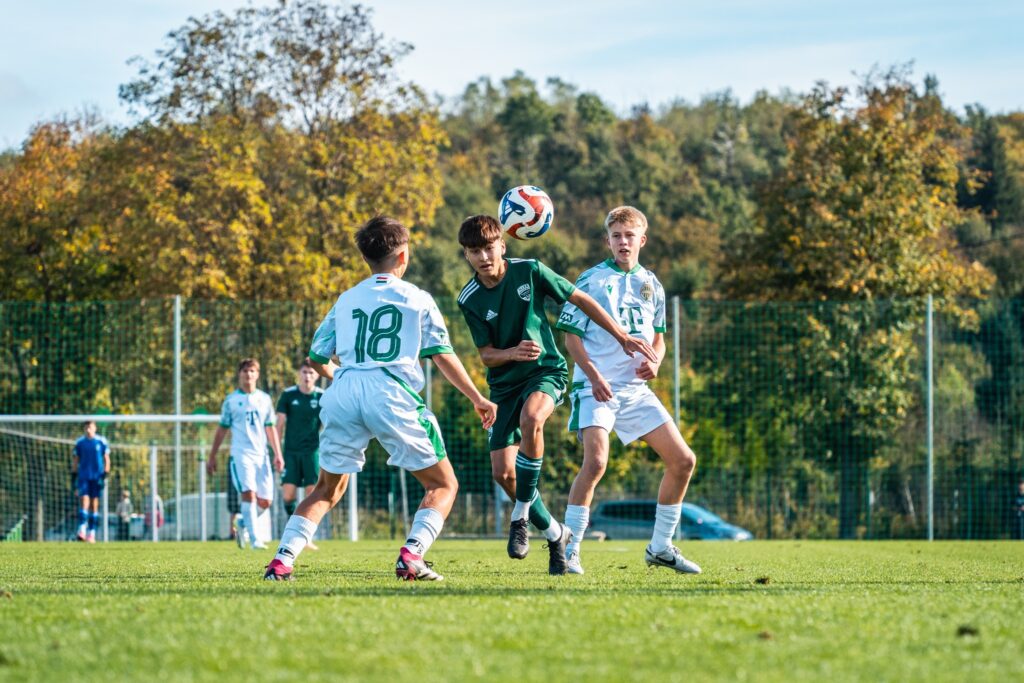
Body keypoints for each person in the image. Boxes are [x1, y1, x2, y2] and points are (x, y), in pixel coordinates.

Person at [265, 216, 495, 582]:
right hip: (391, 393)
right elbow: (441, 354)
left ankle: (281, 562)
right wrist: (477, 398)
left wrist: (347, 376)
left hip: (343, 391)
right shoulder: (417, 298)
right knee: (443, 484)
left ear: (366, 259)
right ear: (403, 256)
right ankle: (412, 555)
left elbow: (317, 357)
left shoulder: (347, 298)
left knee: (327, 488)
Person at [456, 214, 657, 574]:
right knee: (503, 474)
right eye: (474, 252)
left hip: (545, 371)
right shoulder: (468, 298)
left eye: (489, 248)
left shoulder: (530, 270)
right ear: (466, 256)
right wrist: (511, 354)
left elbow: (580, 298)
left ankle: (519, 516)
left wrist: (622, 336)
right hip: (503, 385)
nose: (484, 257)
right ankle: (554, 532)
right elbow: (485, 354)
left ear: (503, 244)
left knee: (532, 418)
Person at [557, 206, 700, 575]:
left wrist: (655, 362)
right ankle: (568, 550)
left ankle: (661, 547)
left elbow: (659, 339)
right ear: (608, 241)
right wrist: (592, 375)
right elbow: (570, 339)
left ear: (642, 240)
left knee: (683, 461)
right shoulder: (590, 280)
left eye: (629, 235)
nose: (623, 242)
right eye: (616, 235)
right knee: (596, 462)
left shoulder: (652, 283)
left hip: (635, 391)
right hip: (596, 387)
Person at [207, 358, 284, 550]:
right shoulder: (231, 400)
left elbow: (270, 428)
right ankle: (255, 540)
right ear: (239, 374)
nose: (248, 375)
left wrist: (277, 454)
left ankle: (243, 523)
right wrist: (212, 456)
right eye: (244, 371)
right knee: (248, 493)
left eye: (252, 371)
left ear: (257, 374)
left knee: (265, 501)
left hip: (261, 455)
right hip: (241, 455)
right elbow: (222, 429)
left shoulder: (265, 399)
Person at [276, 359, 324, 550]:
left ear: (317, 375)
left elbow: (328, 423)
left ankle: (305, 536)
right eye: (304, 372)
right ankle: (293, 528)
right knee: (288, 495)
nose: (307, 376)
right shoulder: (288, 395)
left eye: (311, 373)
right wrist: (277, 453)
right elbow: (278, 424)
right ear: (299, 374)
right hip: (290, 453)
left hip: (312, 453)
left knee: (311, 495)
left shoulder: (322, 396)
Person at [72, 421, 110, 543]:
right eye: (86, 427)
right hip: (84, 476)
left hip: (97, 477)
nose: (88, 429)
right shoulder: (80, 442)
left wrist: (105, 474)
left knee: (94, 504)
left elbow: (106, 459)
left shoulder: (101, 441)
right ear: (84, 428)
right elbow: (75, 460)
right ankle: (82, 529)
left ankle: (92, 533)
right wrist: (73, 476)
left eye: (91, 427)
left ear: (95, 428)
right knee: (84, 501)